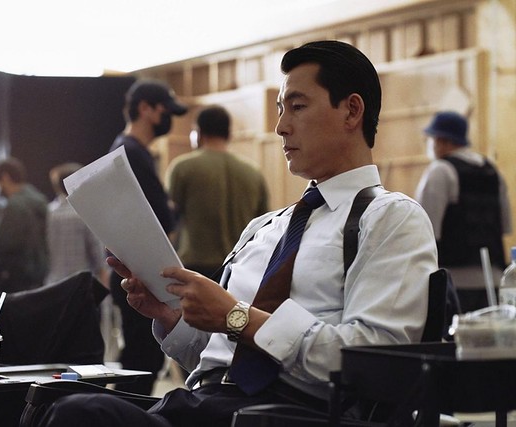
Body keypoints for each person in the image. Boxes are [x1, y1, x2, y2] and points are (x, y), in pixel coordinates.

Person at [40, 40, 438, 427]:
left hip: (287, 412)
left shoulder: (390, 218)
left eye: (297, 107)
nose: (280, 127)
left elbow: (374, 362)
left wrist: (239, 318)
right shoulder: (263, 228)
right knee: (53, 401)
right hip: (205, 404)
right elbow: (217, 357)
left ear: (351, 111)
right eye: (280, 109)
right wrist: (173, 317)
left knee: (80, 414)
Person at [107, 79, 188, 395]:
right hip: (139, 273)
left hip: (134, 270)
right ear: (145, 109)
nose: (169, 119)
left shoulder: (127, 150)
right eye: (164, 111)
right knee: (140, 363)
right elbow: (162, 216)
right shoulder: (131, 153)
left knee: (140, 359)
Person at [415, 111, 512, 313]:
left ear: (441, 141)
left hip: (454, 283)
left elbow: (424, 230)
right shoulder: (493, 172)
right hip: (494, 280)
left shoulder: (440, 171)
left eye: (430, 139)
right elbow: (505, 226)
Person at [166, 105, 269, 281]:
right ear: (228, 134)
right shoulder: (254, 173)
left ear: (198, 132)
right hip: (240, 268)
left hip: (195, 268)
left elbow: (168, 220)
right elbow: (264, 226)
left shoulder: (183, 168)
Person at [0, 157, 49, 293]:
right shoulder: (39, 200)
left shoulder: (14, 205)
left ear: (5, 177)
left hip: (15, 278)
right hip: (38, 275)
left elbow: (3, 244)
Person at [45, 162, 108, 285]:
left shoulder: (48, 212)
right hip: (81, 284)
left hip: (53, 283)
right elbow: (97, 253)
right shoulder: (84, 212)